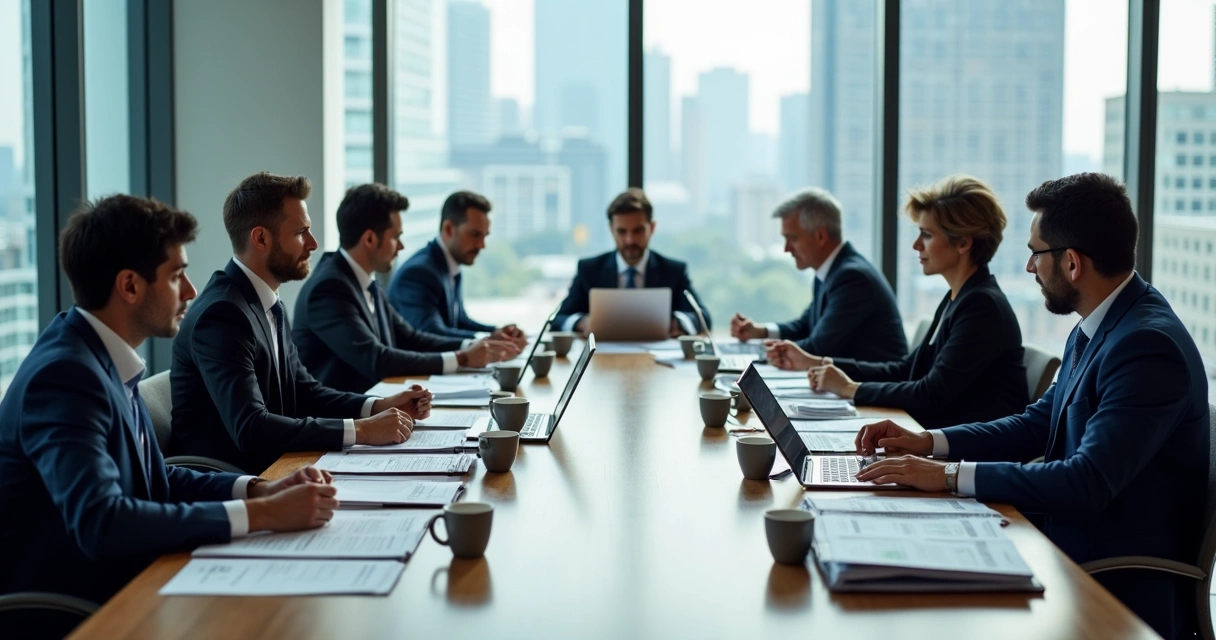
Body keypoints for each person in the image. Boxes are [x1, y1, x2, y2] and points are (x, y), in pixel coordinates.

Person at [852, 173, 1208, 639]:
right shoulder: (1101, 324)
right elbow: (1037, 423)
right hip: (1057, 543)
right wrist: (929, 443)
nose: (1028, 267)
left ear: (1073, 263)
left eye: (1036, 253)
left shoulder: (1145, 345)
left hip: (1109, 581)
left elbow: (1087, 481)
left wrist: (947, 477)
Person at [0, 195, 340, 608]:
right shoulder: (64, 377)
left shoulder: (98, 354)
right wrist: (263, 517)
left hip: (135, 579)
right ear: (129, 285)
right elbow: (103, 522)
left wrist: (258, 491)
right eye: (177, 275)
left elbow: (155, 479)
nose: (192, 290)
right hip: (81, 609)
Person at [170, 172, 432, 474]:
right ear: (261, 238)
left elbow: (305, 391)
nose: (313, 243)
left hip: (282, 465)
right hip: (237, 483)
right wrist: (361, 430)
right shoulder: (223, 315)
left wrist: (377, 406)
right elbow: (251, 428)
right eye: (300, 233)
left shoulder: (267, 302)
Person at [767, 175, 1027, 428]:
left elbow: (931, 394)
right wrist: (825, 367)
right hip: (939, 438)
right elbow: (907, 369)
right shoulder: (959, 297)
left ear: (963, 243)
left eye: (926, 234)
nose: (916, 245)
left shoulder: (981, 307)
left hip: (968, 455)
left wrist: (850, 388)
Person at [293, 184, 521, 393]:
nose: (401, 246)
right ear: (370, 239)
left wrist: (475, 346)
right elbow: (377, 360)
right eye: (396, 237)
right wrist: (461, 358)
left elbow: (411, 338)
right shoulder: (329, 288)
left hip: (380, 408)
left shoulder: (366, 282)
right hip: (343, 426)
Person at [730, 187, 907, 361]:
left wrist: (758, 352)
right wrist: (760, 332)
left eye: (793, 239)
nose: (786, 249)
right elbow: (805, 326)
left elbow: (818, 348)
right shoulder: (831, 270)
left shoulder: (852, 278)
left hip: (871, 385)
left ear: (820, 236)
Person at [554, 188, 710, 336]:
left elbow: (704, 318)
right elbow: (558, 319)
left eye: (638, 231)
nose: (630, 240)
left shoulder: (673, 270)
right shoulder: (589, 269)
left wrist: (679, 323)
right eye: (622, 231)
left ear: (652, 228)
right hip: (602, 360)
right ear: (611, 230)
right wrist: (581, 323)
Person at [388, 191, 528, 346]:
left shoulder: (451, 265)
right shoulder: (418, 274)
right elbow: (431, 332)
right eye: (475, 235)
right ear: (448, 229)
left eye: (484, 236)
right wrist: (488, 341)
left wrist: (498, 333)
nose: (482, 245)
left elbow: (459, 321)